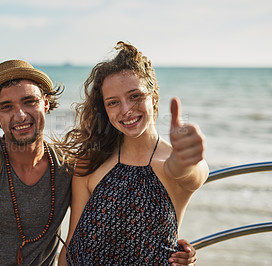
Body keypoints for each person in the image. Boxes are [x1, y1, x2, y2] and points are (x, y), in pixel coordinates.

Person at [0, 59, 198, 265]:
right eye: (6, 107)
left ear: (46, 103)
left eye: (29, 101)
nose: (20, 115)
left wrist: (174, 247)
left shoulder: (68, 165)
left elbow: (119, 216)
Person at [57, 41, 209, 266]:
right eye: (113, 103)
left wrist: (186, 156)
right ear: (105, 109)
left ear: (154, 97)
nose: (126, 109)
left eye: (135, 96)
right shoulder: (90, 161)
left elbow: (188, 171)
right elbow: (71, 245)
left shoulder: (169, 163)